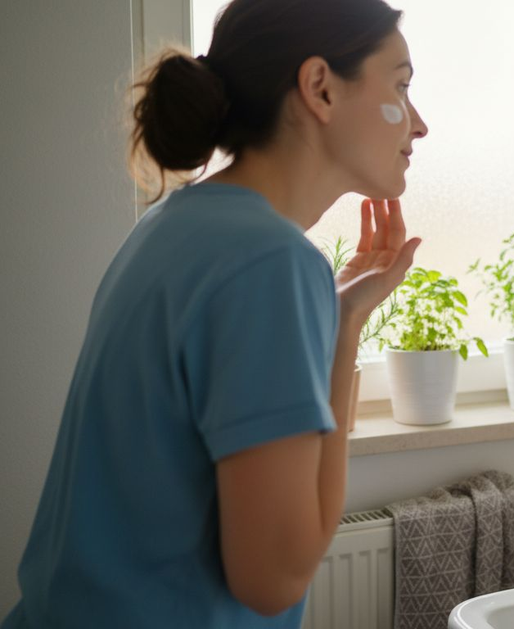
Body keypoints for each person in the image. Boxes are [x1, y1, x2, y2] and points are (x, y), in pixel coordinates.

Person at [2, 0, 426, 626]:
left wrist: (343, 322)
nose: (419, 125)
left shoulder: (173, 224)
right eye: (401, 85)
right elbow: (274, 579)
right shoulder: (270, 264)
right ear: (320, 89)